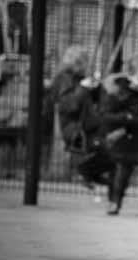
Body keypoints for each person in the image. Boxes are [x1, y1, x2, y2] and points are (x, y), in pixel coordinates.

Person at [99, 55, 138, 216]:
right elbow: (107, 116)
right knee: (122, 173)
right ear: (129, 76)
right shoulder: (119, 91)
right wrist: (128, 119)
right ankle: (114, 202)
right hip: (124, 139)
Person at [49, 44, 114, 192]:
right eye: (85, 61)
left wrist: (96, 87)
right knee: (110, 150)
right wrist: (83, 88)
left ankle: (91, 174)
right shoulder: (63, 79)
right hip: (76, 129)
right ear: (77, 62)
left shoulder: (80, 78)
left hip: (90, 124)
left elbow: (92, 101)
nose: (87, 65)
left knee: (114, 149)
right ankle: (87, 172)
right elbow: (69, 105)